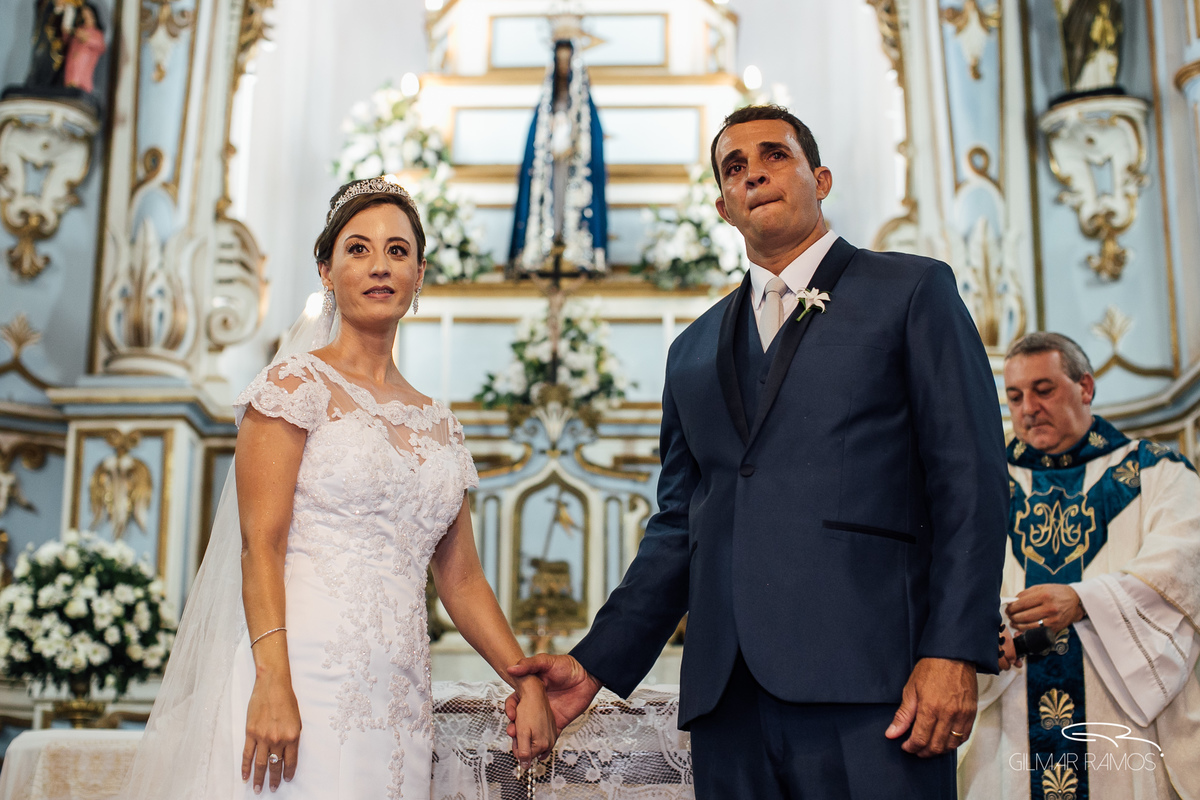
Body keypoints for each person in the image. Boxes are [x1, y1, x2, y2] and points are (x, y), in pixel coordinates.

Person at [507, 104, 1009, 798]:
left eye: (775, 155)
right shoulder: (691, 352)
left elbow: (971, 479)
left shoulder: (911, 291)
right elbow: (680, 526)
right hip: (729, 702)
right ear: (722, 204)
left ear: (820, 177)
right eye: (734, 167)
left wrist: (954, 648)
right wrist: (594, 664)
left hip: (874, 688)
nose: (754, 174)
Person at [123, 176, 556, 799]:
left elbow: (462, 580)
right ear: (326, 270)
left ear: (420, 274)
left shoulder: (440, 423)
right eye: (358, 249)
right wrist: (272, 677)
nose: (379, 265)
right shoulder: (293, 387)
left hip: (398, 695)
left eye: (397, 251)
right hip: (299, 674)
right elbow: (260, 546)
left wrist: (526, 680)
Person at [958, 332, 1200, 800]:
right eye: (1014, 396)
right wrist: (980, 632)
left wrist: (1085, 600)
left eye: (1043, 389)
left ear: (1085, 388)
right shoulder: (980, 486)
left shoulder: (1156, 472)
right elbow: (942, 577)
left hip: (1119, 720)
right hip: (1007, 720)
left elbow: (1185, 558)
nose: (1027, 407)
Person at [508, 36, 607, 274]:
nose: (564, 67)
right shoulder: (544, 106)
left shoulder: (585, 107)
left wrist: (574, 141)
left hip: (573, 168)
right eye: (560, 61)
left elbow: (592, 143)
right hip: (550, 169)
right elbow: (534, 146)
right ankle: (545, 248)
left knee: (571, 203)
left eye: (567, 61)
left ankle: (576, 250)